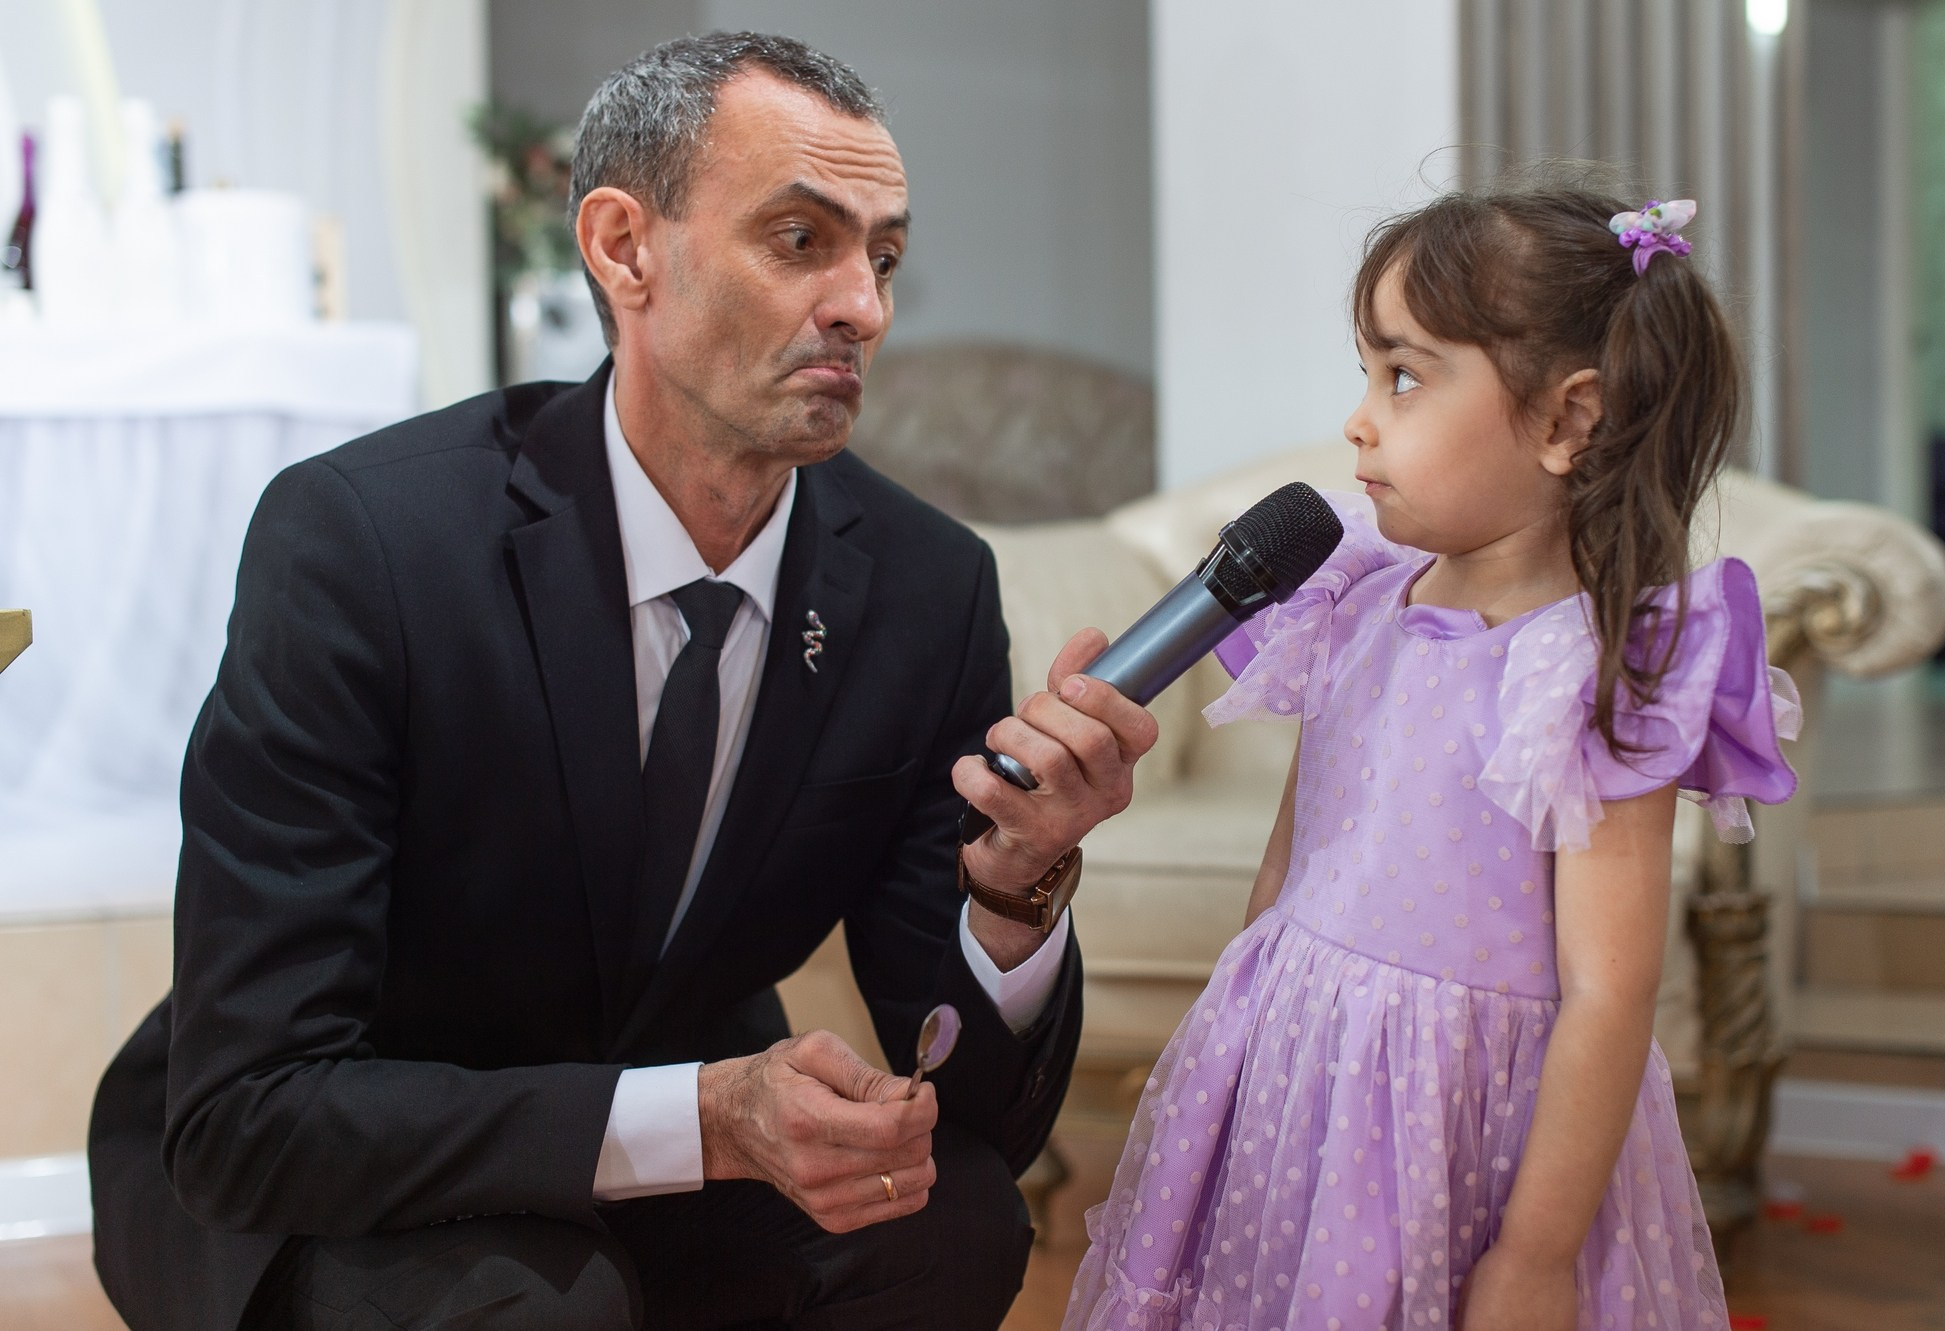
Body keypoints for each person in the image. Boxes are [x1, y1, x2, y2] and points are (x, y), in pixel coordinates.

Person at [88, 32, 1158, 1331]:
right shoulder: (367, 544)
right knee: (549, 1303)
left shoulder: (924, 589)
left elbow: (973, 1102)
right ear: (622, 245)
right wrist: (705, 1112)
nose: (864, 306)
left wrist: (1011, 897)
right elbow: (251, 1107)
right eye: (800, 239)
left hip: (676, 1134)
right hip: (341, 1146)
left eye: (881, 255)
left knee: (954, 1218)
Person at [1062, 186, 1801, 1331]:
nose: (1358, 420)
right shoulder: (1354, 596)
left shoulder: (1596, 672)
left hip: (1467, 1135)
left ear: (1568, 420)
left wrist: (1536, 1253)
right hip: (1290, 1095)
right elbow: (1285, 873)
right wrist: (1236, 1052)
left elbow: (1609, 994)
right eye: (1364, 374)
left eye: (1400, 377)